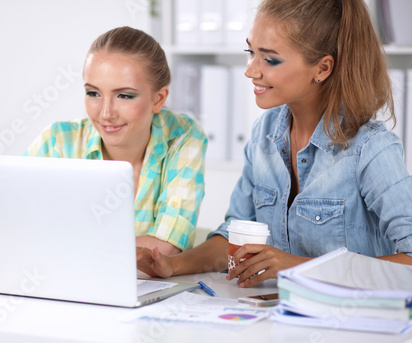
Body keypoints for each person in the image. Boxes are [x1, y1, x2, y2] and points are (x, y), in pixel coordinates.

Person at [137, 0, 412, 286]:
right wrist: (171, 265)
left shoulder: (371, 149)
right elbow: (234, 234)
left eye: (269, 59)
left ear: (323, 68)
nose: (250, 71)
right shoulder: (264, 134)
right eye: (251, 52)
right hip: (276, 317)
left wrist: (297, 266)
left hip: (351, 323)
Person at [25, 26, 207, 255]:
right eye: (93, 93)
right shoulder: (56, 142)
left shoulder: (182, 137)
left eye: (124, 95)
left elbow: (166, 248)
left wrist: (70, 248)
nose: (106, 113)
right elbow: (12, 225)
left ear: (158, 99)